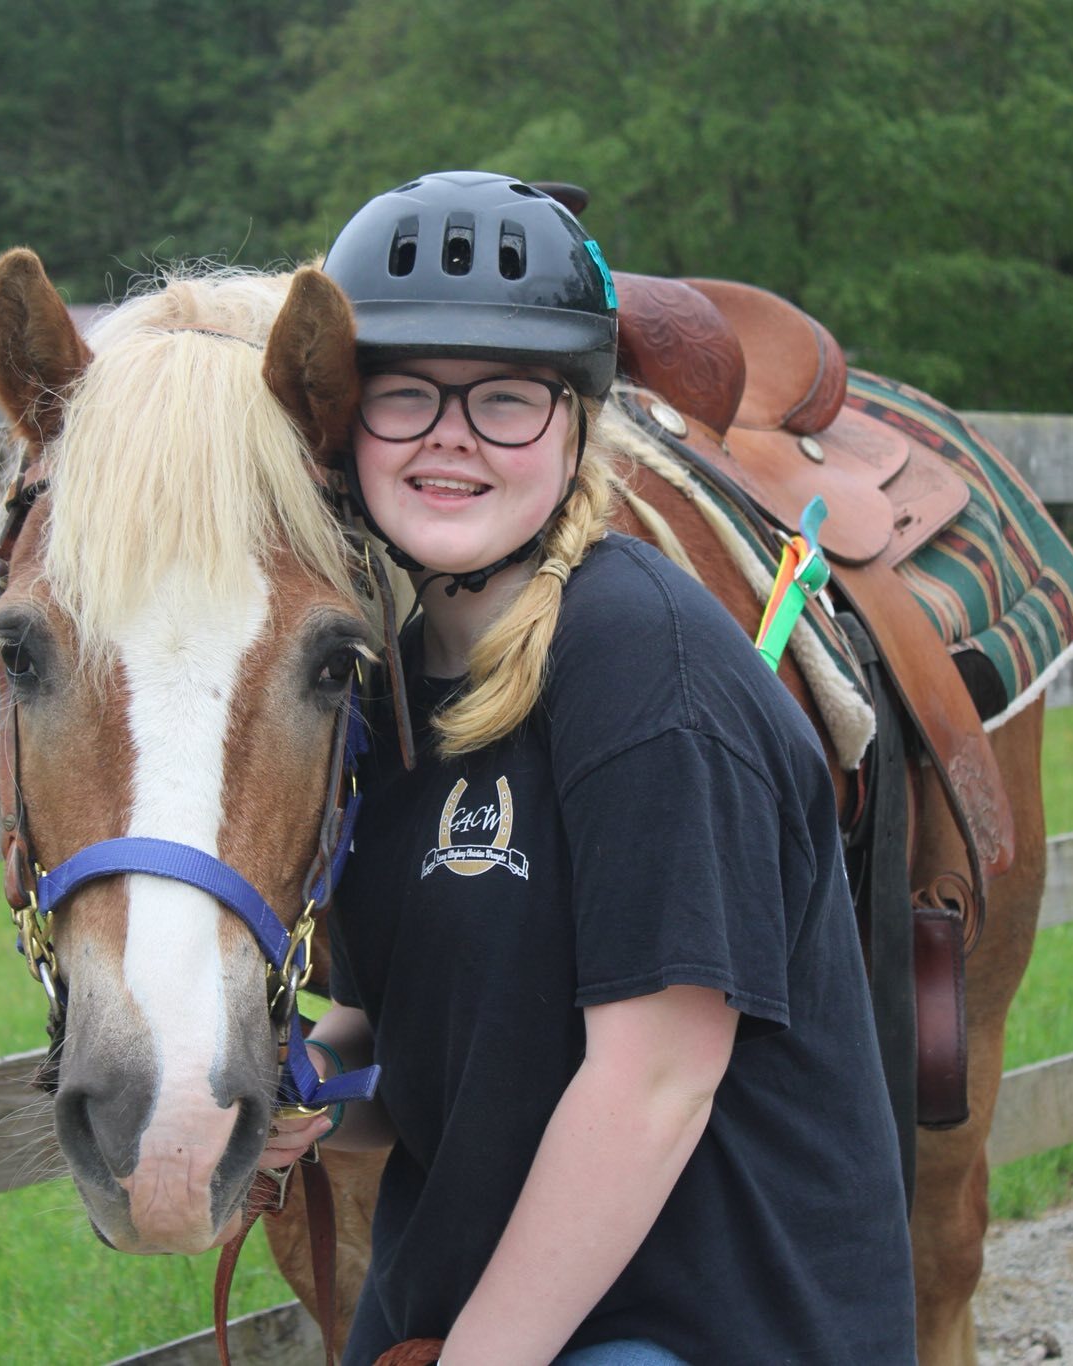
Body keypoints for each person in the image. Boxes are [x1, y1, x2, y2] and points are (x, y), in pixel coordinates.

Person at [260, 171, 916, 1365]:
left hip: (695, 1327)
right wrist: (298, 1089)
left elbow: (652, 1085)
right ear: (347, 425)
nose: (450, 436)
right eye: (406, 395)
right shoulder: (394, 695)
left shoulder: (642, 669)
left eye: (504, 398)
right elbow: (419, 1046)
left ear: (573, 425)